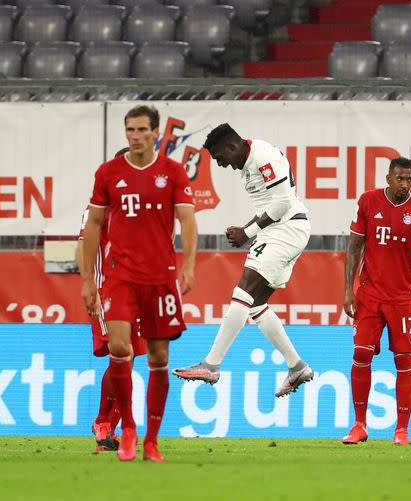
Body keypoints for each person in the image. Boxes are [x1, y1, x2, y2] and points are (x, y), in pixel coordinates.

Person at [81, 105, 197, 462]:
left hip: (160, 279)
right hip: (118, 280)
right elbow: (92, 231)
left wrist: (189, 264)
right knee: (119, 350)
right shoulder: (108, 177)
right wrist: (90, 283)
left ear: (155, 132)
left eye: (142, 130)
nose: (135, 136)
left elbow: (188, 220)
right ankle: (121, 426)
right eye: (130, 130)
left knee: (155, 357)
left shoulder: (172, 173)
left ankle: (150, 440)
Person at [173, 123, 313, 398]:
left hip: (287, 228)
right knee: (255, 304)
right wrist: (247, 230)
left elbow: (283, 203)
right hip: (281, 229)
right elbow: (269, 206)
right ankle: (297, 367)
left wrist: (247, 232)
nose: (220, 164)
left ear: (232, 146)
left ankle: (211, 365)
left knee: (242, 293)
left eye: (219, 158)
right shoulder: (250, 162)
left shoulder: (263, 156)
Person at [341, 157, 411, 446]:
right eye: (400, 178)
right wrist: (349, 289)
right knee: (360, 355)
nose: (405, 184)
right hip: (370, 296)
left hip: (404, 298)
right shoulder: (368, 202)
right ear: (388, 178)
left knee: (405, 359)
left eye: (410, 179)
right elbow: (354, 247)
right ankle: (359, 425)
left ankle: (402, 429)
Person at [76, 147, 147, 452]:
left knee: (128, 361)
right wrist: (88, 283)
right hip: (109, 290)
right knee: (123, 353)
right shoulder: (98, 206)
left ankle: (108, 429)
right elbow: (83, 247)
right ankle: (104, 421)